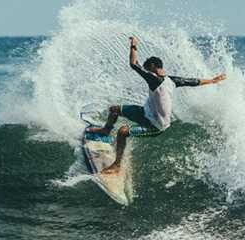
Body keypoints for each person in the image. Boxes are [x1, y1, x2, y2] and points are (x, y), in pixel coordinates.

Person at [88, 36, 226, 174]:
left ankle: (117, 165)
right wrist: (212, 81)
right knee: (114, 110)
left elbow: (133, 64)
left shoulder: (155, 80)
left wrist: (134, 45)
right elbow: (192, 81)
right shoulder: (171, 80)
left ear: (153, 67)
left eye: (148, 68)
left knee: (123, 131)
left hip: (156, 125)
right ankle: (105, 130)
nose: (147, 71)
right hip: (146, 113)